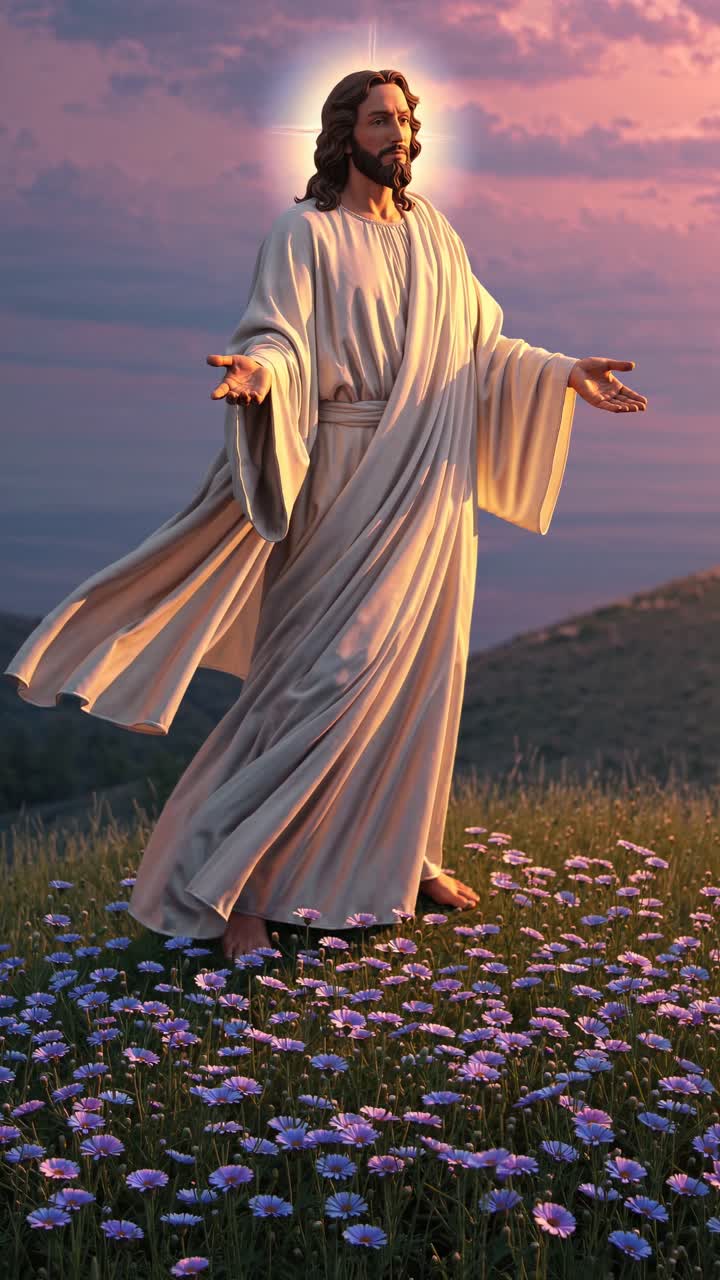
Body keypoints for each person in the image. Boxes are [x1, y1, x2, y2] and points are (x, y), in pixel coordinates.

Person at [3, 69, 648, 962]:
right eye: (383, 119)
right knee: (314, 687)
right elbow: (278, 334)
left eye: (409, 119)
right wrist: (260, 375)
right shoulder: (303, 234)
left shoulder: (435, 236)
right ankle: (231, 890)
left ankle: (404, 857)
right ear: (345, 132)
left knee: (421, 683)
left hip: (433, 486)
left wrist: (563, 371)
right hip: (344, 477)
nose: (401, 133)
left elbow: (479, 344)